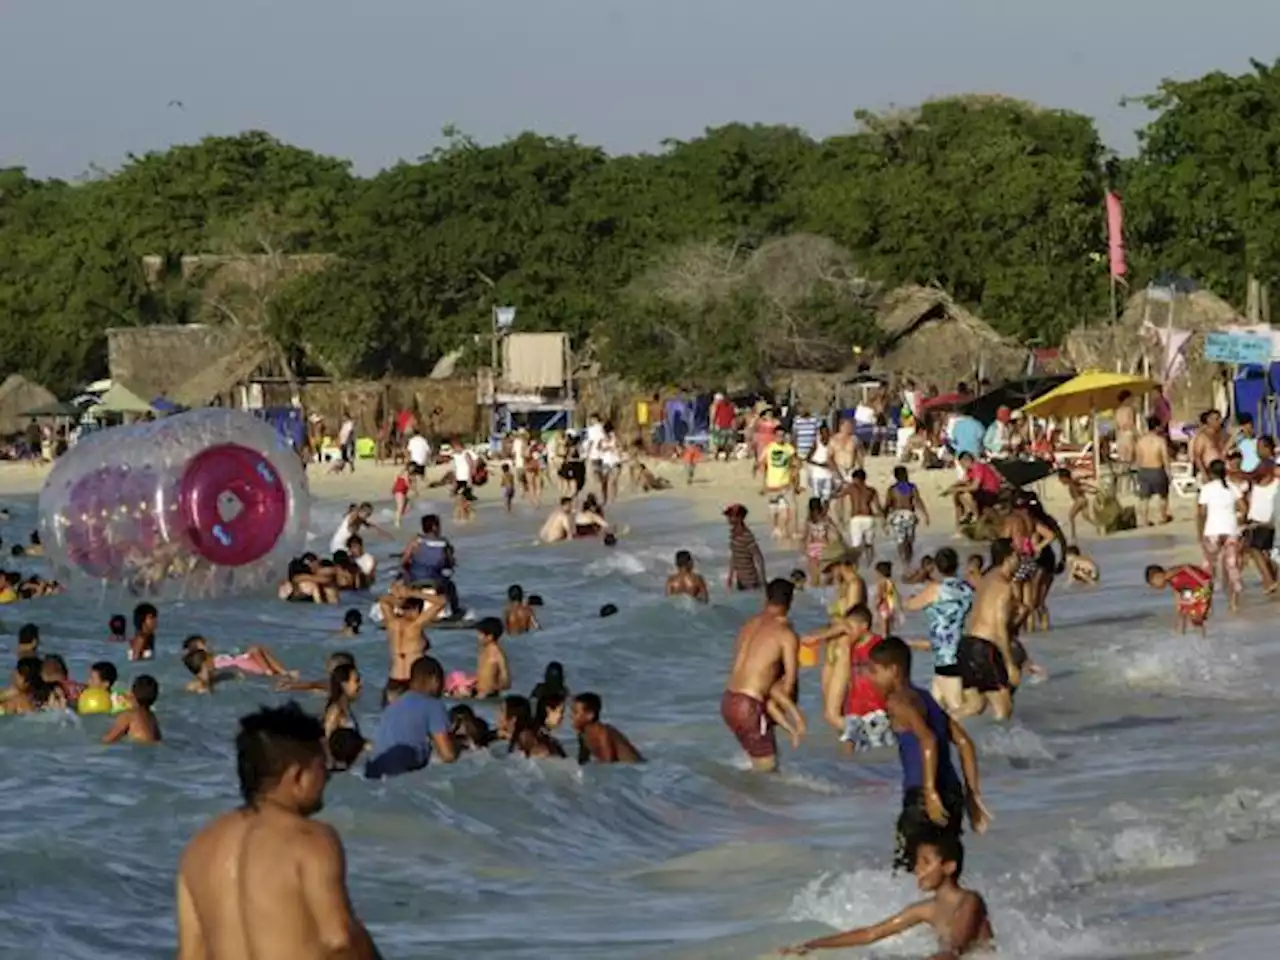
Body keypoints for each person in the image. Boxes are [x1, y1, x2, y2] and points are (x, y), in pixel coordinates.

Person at [176, 703, 383, 960]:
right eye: (322, 766)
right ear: (297, 776)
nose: (328, 777)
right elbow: (338, 940)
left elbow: (191, 954)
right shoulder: (310, 838)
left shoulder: (198, 848)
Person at [868, 637, 990, 872]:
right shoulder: (925, 697)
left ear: (893, 670)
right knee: (945, 870)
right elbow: (964, 742)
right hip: (953, 796)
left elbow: (928, 740)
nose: (871, 679)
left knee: (906, 870)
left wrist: (930, 792)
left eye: (875, 671)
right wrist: (972, 795)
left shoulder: (897, 702)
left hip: (923, 798)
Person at [778, 833, 992, 957]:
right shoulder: (926, 909)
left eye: (926, 862)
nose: (917, 869)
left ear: (949, 867)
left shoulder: (970, 900)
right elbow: (870, 934)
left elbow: (956, 947)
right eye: (917, 862)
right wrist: (811, 946)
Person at [721, 579, 803, 772]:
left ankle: (737, 799)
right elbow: (790, 682)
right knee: (768, 769)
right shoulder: (786, 635)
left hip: (728, 700)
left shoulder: (749, 624)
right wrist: (789, 715)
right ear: (790, 603)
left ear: (766, 598)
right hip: (748, 705)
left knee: (757, 762)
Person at [956, 538, 1023, 720]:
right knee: (1004, 709)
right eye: (1017, 555)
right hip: (984, 648)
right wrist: (1010, 664)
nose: (1019, 559)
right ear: (1009, 558)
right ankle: (1002, 748)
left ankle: (941, 724)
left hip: (966, 645)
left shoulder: (985, 579)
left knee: (974, 706)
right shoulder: (1004, 587)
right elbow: (999, 626)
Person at [904, 547, 976, 714]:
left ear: (936, 567)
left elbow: (911, 606)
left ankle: (982, 739)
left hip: (946, 655)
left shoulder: (936, 589)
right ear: (957, 565)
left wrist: (907, 598)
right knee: (935, 708)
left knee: (956, 708)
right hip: (965, 647)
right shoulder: (967, 588)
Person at [365, 656, 457, 778]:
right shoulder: (433, 704)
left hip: (373, 772)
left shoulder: (394, 705)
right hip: (400, 776)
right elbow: (448, 755)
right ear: (435, 680)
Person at [1198, 458, 1244, 613]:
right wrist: (1238, 519)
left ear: (1211, 473)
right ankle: (1234, 603)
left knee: (1208, 569)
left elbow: (1202, 513)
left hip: (1212, 531)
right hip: (1230, 530)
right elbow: (1244, 508)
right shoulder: (1233, 487)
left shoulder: (1207, 488)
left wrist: (1199, 533)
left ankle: (1207, 604)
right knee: (1232, 566)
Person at [400, 514, 464, 619]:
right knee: (451, 586)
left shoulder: (415, 541)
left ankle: (403, 607)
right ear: (434, 527)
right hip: (434, 579)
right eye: (439, 525)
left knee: (403, 582)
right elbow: (450, 561)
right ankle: (455, 610)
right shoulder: (444, 542)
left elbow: (404, 560)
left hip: (415, 579)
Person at [572, 692, 644, 764]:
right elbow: (582, 760)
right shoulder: (582, 734)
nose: (571, 716)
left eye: (575, 712)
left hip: (636, 766)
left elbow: (609, 763)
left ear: (590, 715)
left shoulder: (603, 733)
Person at [1146, 563, 1214, 635]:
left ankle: (1195, 637)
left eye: (1154, 584)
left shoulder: (1171, 573)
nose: (1155, 587)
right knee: (1184, 612)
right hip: (1191, 589)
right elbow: (1178, 592)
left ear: (1158, 576)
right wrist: (1179, 609)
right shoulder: (1170, 579)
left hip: (1202, 587)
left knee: (1195, 616)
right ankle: (1181, 635)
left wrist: (1203, 581)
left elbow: (1186, 567)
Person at [884, 465, 929, 563]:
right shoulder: (912, 487)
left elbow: (887, 505)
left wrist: (884, 520)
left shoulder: (892, 489)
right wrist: (925, 515)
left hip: (897, 515)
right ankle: (909, 561)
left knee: (901, 541)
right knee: (909, 541)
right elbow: (918, 501)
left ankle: (902, 562)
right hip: (909, 515)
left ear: (895, 476)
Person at [1133, 416, 1173, 526]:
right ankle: (1163, 517)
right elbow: (1165, 457)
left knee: (1144, 497)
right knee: (1163, 495)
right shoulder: (1160, 441)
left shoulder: (1140, 441)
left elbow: (1138, 458)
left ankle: (1144, 520)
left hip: (1144, 470)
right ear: (1157, 427)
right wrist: (1169, 472)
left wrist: (1138, 472)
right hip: (1157, 469)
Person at [947, 452, 1003, 527]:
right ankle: (965, 516)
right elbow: (964, 480)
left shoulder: (978, 467)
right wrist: (953, 487)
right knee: (958, 495)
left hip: (991, 491)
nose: (962, 467)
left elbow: (974, 486)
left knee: (965, 495)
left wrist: (958, 488)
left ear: (966, 461)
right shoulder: (969, 470)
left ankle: (976, 516)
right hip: (982, 491)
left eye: (962, 464)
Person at [762, 424, 798, 540]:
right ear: (774, 436)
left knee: (788, 509)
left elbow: (795, 464)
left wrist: (795, 479)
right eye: (778, 436)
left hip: (786, 483)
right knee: (773, 509)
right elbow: (762, 464)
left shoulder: (789, 448)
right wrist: (764, 482)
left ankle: (786, 530)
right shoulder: (769, 448)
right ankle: (775, 528)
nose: (780, 438)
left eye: (782, 436)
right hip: (772, 483)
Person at [102, 675, 161, 744]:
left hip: (140, 749)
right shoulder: (152, 716)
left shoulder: (128, 715)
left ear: (131, 694)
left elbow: (108, 739)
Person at [840, 469, 882, 566]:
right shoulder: (871, 490)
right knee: (869, 544)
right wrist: (882, 518)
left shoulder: (851, 488)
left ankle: (856, 565)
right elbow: (878, 507)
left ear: (855, 478)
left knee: (856, 546)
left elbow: (838, 495)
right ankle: (869, 564)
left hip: (856, 518)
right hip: (868, 518)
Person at [724, 503, 766, 591]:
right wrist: (730, 576)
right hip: (740, 580)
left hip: (750, 581)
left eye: (731, 516)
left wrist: (763, 580)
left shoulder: (747, 536)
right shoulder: (734, 534)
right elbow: (734, 556)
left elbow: (759, 557)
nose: (728, 519)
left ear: (739, 518)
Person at [802, 497, 840, 586]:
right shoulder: (826, 519)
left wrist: (804, 549)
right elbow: (837, 533)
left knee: (814, 578)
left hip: (813, 549)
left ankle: (814, 597)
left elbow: (805, 536)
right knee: (828, 577)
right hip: (824, 547)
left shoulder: (809, 520)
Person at [1055, 468, 1097, 543]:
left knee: (1071, 516)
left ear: (1065, 478)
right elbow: (1082, 484)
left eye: (1061, 480)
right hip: (1084, 500)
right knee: (1087, 517)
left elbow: (1081, 485)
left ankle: (1073, 535)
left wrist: (1090, 488)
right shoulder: (1072, 482)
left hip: (1080, 500)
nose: (1061, 482)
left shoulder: (1073, 482)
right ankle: (1099, 526)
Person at [473, 617, 512, 699]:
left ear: (490, 636)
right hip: (478, 694)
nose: (478, 637)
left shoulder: (498, 654)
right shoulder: (483, 651)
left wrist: (492, 688)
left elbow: (507, 682)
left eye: (480, 634)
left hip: (490, 696)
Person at [872, 560, 900, 636]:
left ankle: (884, 638)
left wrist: (877, 604)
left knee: (883, 625)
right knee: (887, 625)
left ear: (880, 572)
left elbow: (881, 594)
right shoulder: (890, 581)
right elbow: (893, 594)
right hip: (890, 605)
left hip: (883, 606)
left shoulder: (881, 582)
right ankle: (887, 636)